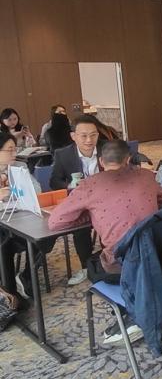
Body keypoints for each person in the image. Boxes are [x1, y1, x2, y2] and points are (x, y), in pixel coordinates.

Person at [48, 140, 162, 344]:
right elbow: (161, 200)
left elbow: (55, 222)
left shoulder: (90, 184)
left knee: (93, 266)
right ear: (128, 159)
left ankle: (132, 312)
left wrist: (89, 215)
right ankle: (141, 306)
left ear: (101, 161)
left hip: (121, 263)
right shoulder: (147, 176)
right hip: (157, 255)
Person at [49, 114, 104, 286]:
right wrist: (70, 185)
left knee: (112, 221)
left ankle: (109, 263)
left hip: (105, 200)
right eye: (84, 135)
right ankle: (87, 267)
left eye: (93, 135)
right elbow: (54, 181)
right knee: (80, 228)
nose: (89, 140)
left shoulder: (106, 149)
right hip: (80, 202)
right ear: (73, 136)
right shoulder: (63, 154)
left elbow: (127, 159)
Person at [0, 132, 51, 299]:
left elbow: (37, 189)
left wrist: (18, 188)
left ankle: (26, 277)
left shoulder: (19, 167)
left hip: (20, 219)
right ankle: (10, 292)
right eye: (9, 150)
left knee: (43, 237)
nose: (14, 153)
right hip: (3, 226)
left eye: (15, 149)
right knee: (3, 244)